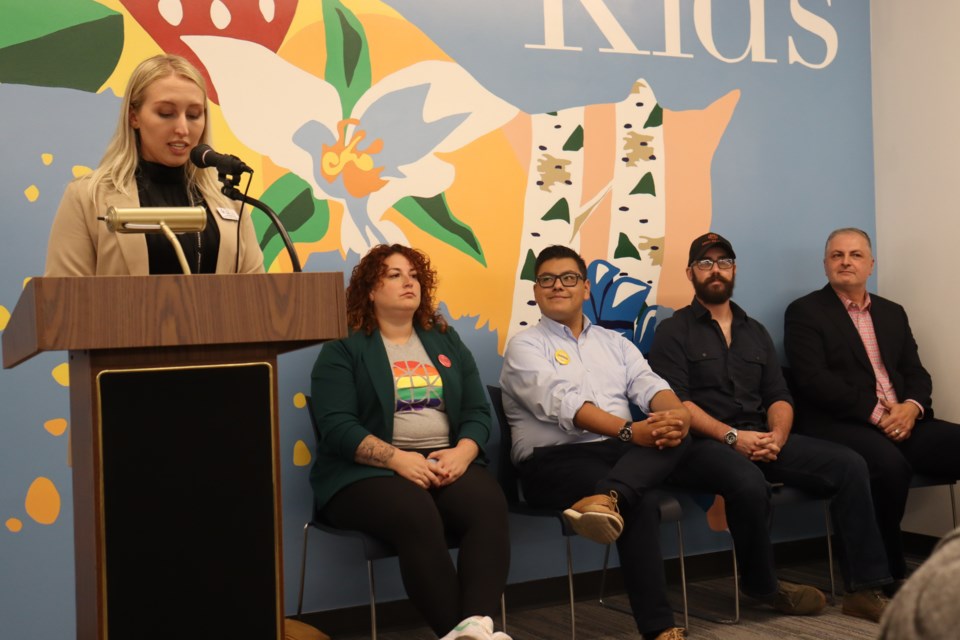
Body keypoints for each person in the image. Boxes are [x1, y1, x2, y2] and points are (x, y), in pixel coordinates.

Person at [648, 232, 893, 622]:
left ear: (734, 269)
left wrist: (777, 435)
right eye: (706, 263)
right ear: (690, 273)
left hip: (761, 437)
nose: (716, 270)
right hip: (699, 446)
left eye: (723, 262)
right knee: (746, 480)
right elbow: (677, 405)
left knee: (849, 464)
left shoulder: (754, 330)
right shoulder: (672, 332)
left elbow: (779, 395)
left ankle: (864, 588)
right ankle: (763, 587)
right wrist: (733, 437)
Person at [310, 244, 511, 640]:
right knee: (415, 513)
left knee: (488, 504)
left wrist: (464, 452)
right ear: (369, 289)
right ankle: (463, 633)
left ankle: (472, 629)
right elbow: (336, 425)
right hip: (363, 473)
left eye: (414, 275)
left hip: (444, 460)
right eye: (394, 274)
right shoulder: (343, 346)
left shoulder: (444, 339)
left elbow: (476, 410)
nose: (409, 282)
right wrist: (396, 459)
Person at [784, 227, 960, 588]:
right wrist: (881, 415)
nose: (845, 262)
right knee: (888, 466)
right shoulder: (804, 312)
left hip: (903, 418)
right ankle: (887, 573)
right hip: (841, 422)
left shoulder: (893, 312)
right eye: (837, 255)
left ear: (871, 265)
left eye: (855, 255)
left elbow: (916, 371)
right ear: (825, 264)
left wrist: (911, 408)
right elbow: (813, 380)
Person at [44, 54, 263, 276]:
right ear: (133, 117)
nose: (183, 129)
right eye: (166, 113)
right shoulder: (87, 198)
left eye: (194, 115)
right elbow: (65, 302)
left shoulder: (232, 202)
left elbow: (259, 298)